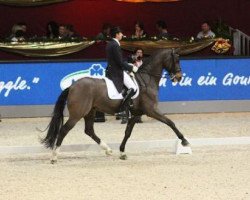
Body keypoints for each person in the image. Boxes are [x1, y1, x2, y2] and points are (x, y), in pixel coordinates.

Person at [105, 26, 138, 115]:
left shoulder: (109, 43)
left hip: (111, 70)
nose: (122, 35)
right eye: (121, 33)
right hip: (116, 72)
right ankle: (122, 109)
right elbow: (119, 62)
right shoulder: (115, 45)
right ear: (117, 35)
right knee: (133, 88)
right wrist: (132, 68)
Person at [120, 47, 145, 124]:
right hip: (132, 82)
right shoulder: (130, 62)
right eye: (138, 52)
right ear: (135, 54)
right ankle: (125, 116)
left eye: (141, 52)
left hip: (141, 83)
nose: (139, 54)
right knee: (128, 97)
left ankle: (138, 117)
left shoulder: (144, 63)